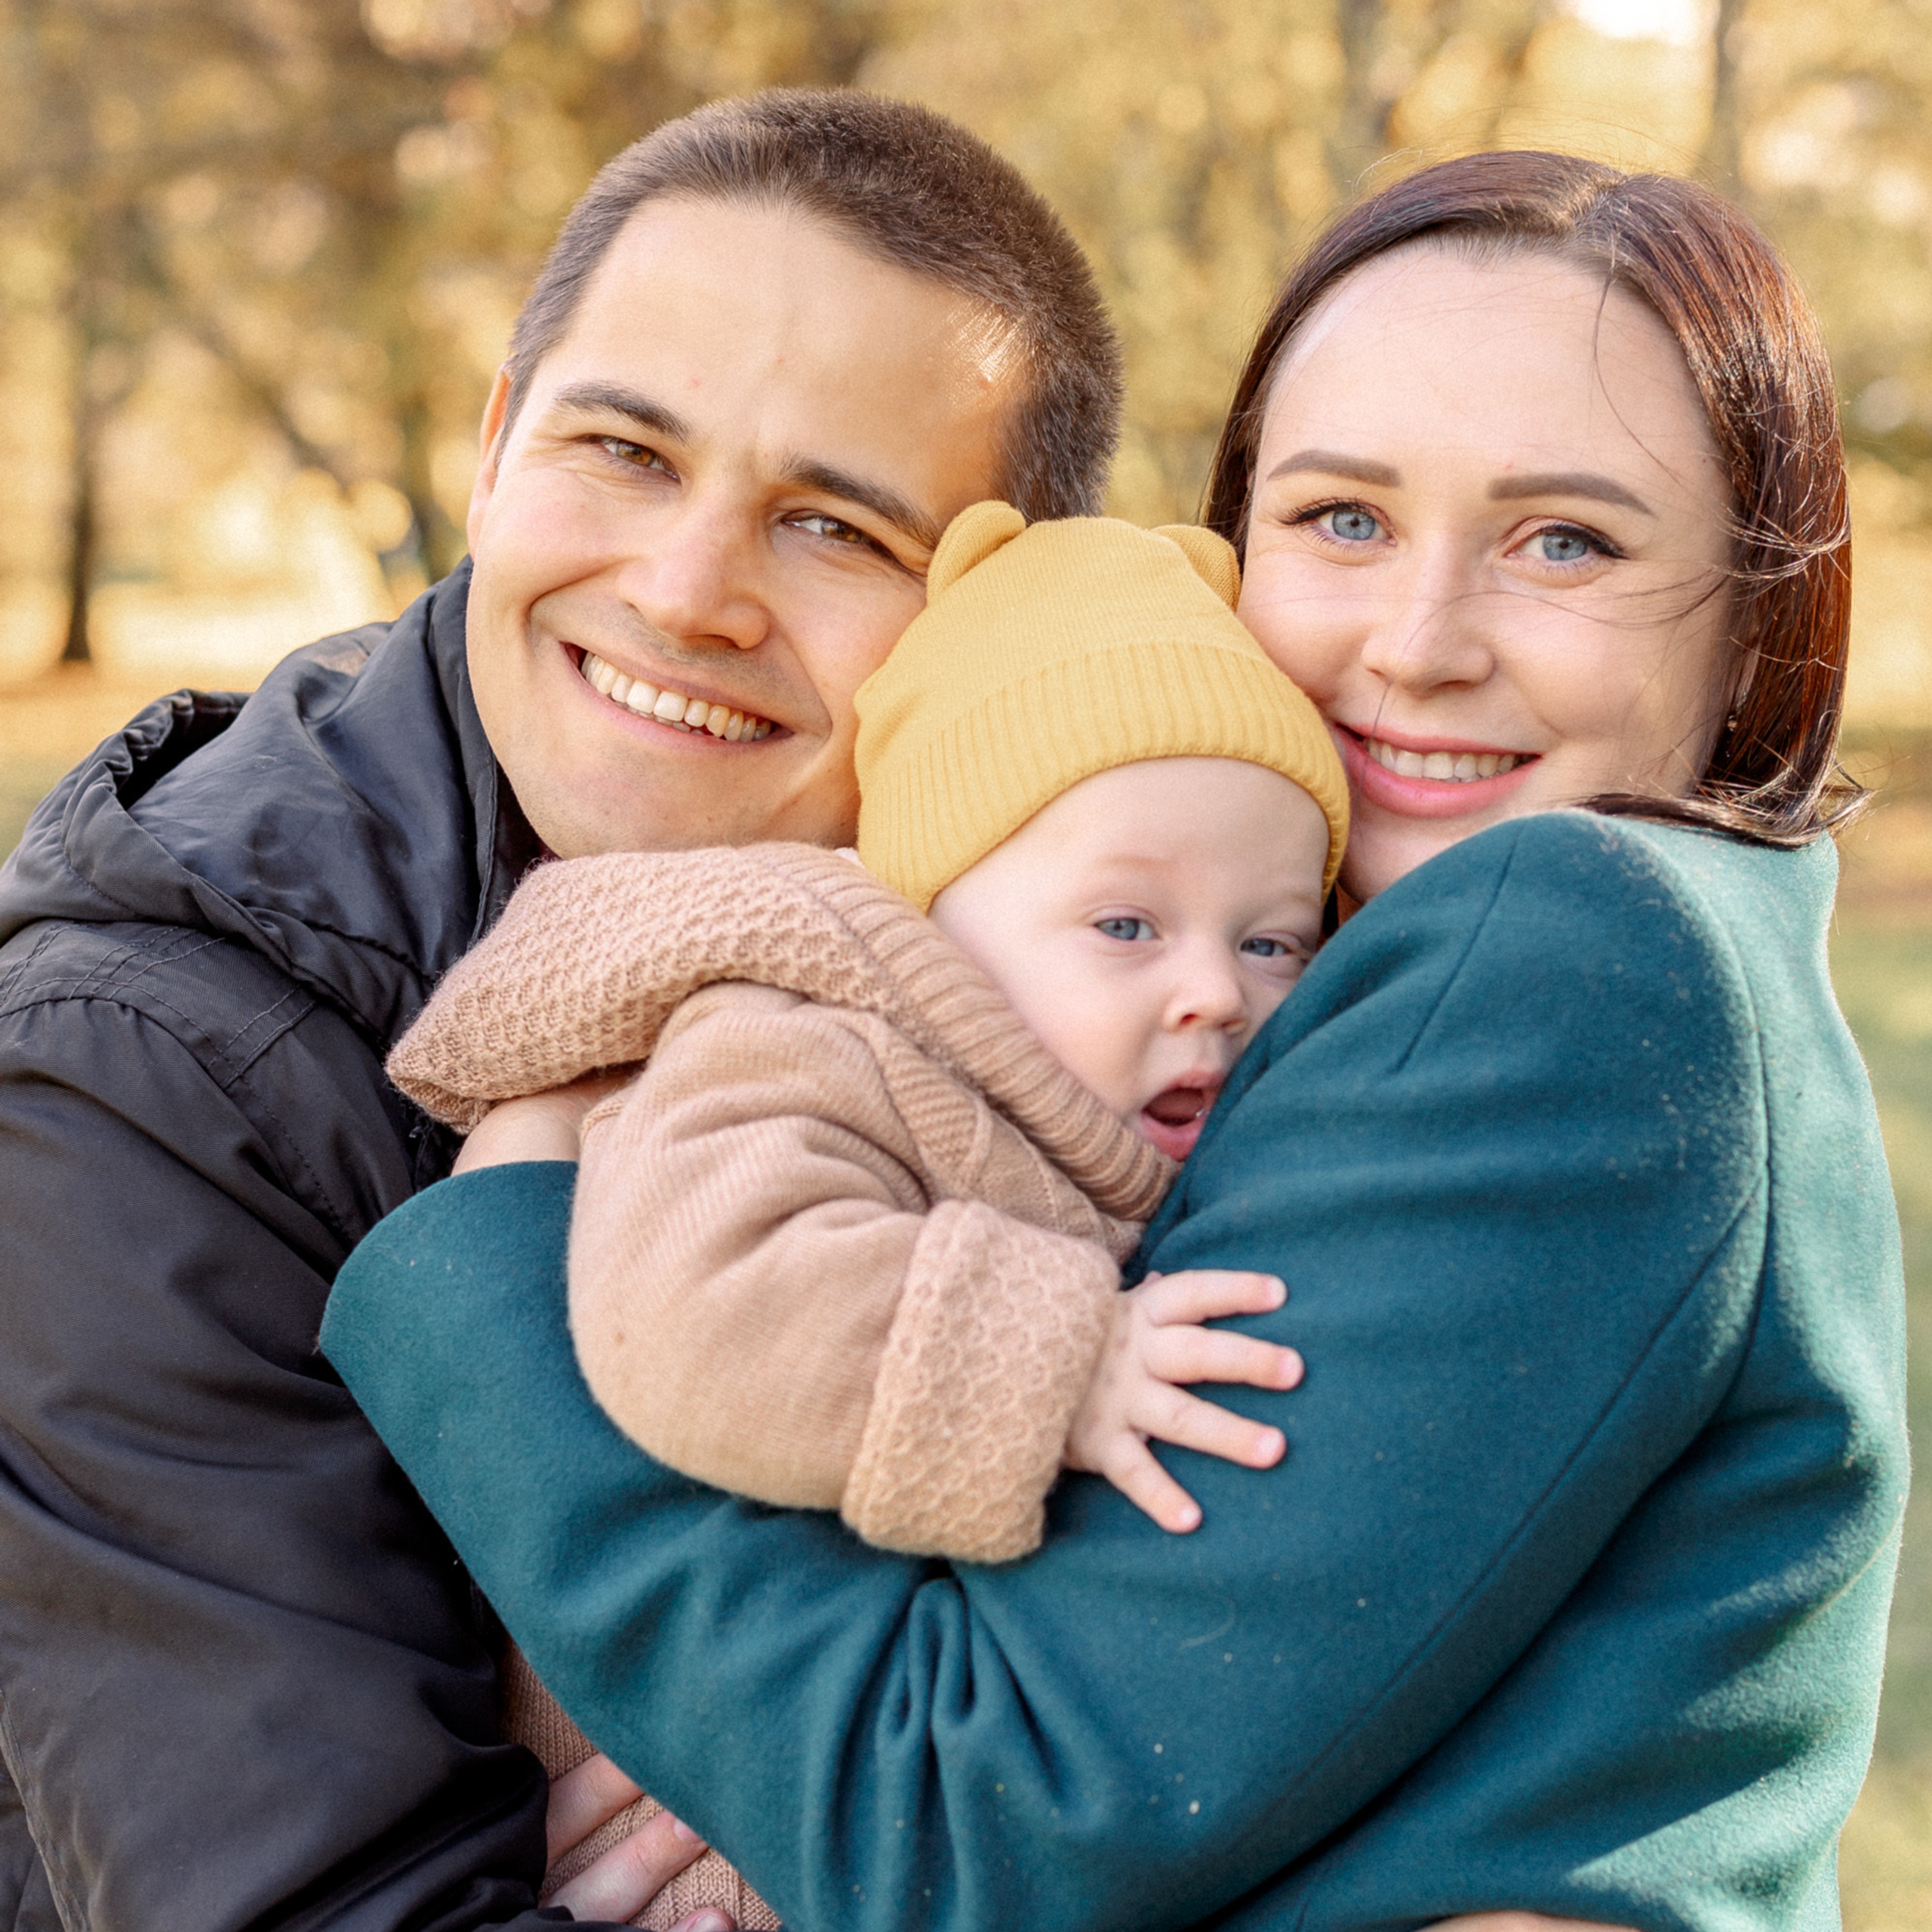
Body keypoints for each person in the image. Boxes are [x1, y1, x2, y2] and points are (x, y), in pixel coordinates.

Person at [321, 151, 1908, 1931]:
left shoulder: (1562, 942)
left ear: (1751, 619)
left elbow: (973, 1814)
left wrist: (503, 1237)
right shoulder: (1514, 965)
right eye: (1341, 519)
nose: (1414, 642)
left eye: (1564, 541)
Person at [0, 90, 1125, 1932]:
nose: (686, 593)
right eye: (621, 449)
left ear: (997, 610)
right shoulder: (145, 1074)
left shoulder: (1084, 978)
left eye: (834, 526)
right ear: (493, 446)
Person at [383, 503, 1349, 1926]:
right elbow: (702, 1305)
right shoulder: (813, 1047)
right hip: (681, 1810)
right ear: (932, 913)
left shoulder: (1155, 1128)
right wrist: (1060, 1363)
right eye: (1127, 926)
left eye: (1271, 942)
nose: (1214, 991)